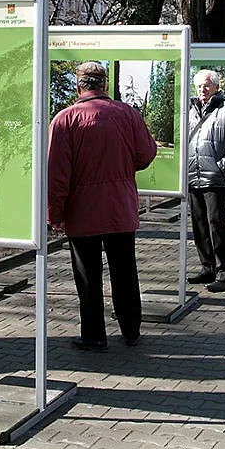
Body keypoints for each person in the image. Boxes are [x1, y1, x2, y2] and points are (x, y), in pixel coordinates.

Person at [47, 62, 157, 351]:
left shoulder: (65, 120)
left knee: (88, 275)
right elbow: (146, 155)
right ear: (104, 84)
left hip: (82, 212)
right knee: (124, 270)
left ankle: (94, 335)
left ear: (78, 85)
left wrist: (54, 215)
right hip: (120, 207)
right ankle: (131, 330)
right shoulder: (128, 114)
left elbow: (56, 174)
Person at [186, 69, 225, 293]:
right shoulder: (190, 109)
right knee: (199, 225)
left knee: (217, 225)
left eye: (205, 86)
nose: (201, 90)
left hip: (216, 178)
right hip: (193, 176)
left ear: (216, 86)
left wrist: (222, 168)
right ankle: (207, 267)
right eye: (198, 86)